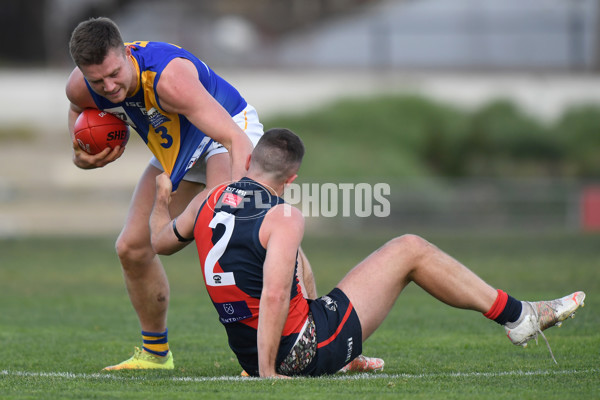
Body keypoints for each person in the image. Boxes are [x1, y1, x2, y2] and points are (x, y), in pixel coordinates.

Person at [66, 17, 382, 373]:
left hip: (225, 134)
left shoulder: (170, 80)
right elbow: (79, 117)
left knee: (249, 237)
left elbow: (234, 139)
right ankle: (155, 355)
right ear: (82, 73)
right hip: (177, 150)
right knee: (132, 248)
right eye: (98, 80)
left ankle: (312, 337)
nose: (108, 86)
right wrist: (82, 156)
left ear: (125, 53)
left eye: (114, 74)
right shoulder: (81, 87)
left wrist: (241, 210)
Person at [150, 128, 586, 377]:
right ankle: (518, 317)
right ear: (293, 177)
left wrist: (160, 198)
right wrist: (267, 376)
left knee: (294, 260)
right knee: (410, 248)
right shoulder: (284, 215)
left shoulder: (210, 199)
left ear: (249, 165)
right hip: (298, 351)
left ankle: (345, 353)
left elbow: (159, 243)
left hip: (252, 346)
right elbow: (273, 296)